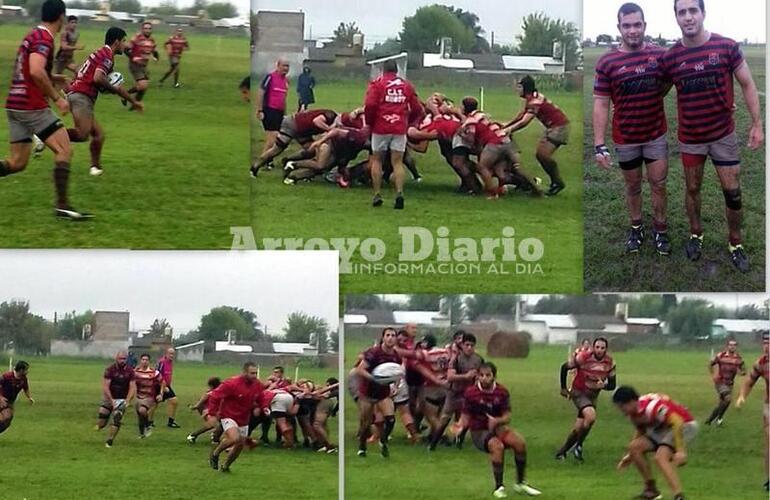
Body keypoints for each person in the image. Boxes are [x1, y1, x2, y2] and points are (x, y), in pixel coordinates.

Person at [661, 0, 763, 272]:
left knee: (733, 194)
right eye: (681, 12)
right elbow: (658, 91)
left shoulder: (726, 47)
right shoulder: (671, 57)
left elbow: (747, 84)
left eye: (693, 10)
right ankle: (696, 234)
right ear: (676, 18)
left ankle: (735, 242)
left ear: (703, 13)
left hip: (723, 136)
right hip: (691, 138)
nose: (688, 17)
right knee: (692, 189)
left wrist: (757, 124)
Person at [1, 0, 91, 220]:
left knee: (17, 163)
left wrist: (54, 77)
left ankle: (62, 206)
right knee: (64, 149)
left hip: (15, 104)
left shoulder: (32, 35)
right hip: (31, 105)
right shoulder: (44, 38)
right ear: (61, 17)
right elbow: (35, 71)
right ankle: (62, 206)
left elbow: (31, 69)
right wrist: (57, 98)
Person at [593, 2, 671, 255]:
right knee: (633, 186)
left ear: (644, 26)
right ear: (619, 28)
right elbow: (601, 103)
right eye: (627, 26)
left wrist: (727, 102)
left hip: (655, 134)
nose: (633, 30)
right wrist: (599, 144)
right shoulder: (608, 62)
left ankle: (660, 229)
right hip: (625, 138)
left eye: (637, 24)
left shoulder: (660, 56)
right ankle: (636, 227)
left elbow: (675, 79)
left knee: (658, 184)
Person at [66, 26, 143, 177]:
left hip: (78, 94)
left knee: (99, 135)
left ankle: (95, 167)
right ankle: (46, 134)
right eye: (123, 41)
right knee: (82, 134)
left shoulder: (99, 52)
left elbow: (83, 72)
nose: (125, 45)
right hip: (82, 96)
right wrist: (113, 88)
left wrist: (127, 98)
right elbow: (98, 78)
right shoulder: (107, 55)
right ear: (116, 41)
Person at [462, 362, 541, 498]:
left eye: (488, 375)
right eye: (481, 375)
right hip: (479, 430)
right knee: (497, 446)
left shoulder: (502, 392)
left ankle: (520, 483)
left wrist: (497, 421)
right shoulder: (470, 393)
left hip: (499, 427)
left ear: (494, 376)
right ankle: (499, 487)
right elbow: (465, 415)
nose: (484, 378)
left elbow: (507, 416)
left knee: (520, 443)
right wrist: (459, 426)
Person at [613, 386, 698, 500]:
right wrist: (630, 455)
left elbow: (677, 421)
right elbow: (641, 430)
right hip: (663, 427)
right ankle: (651, 489)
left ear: (632, 401)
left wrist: (680, 450)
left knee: (661, 457)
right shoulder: (633, 414)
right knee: (634, 447)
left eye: (622, 406)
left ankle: (679, 495)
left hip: (684, 425)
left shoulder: (652, 407)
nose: (621, 410)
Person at [364, 60, 424, 209]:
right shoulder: (406, 85)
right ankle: (399, 193)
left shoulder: (377, 84)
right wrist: (407, 120)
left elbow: (370, 105)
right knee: (397, 162)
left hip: (380, 127)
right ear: (397, 70)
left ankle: (377, 193)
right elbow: (417, 107)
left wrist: (370, 122)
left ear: (383, 70)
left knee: (377, 160)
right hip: (399, 128)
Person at [502, 75, 570, 196]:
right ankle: (556, 182)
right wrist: (506, 125)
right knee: (541, 155)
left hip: (559, 127)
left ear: (525, 88)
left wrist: (509, 130)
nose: (517, 90)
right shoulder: (532, 98)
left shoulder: (534, 102)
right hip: (552, 127)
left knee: (543, 155)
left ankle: (557, 182)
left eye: (519, 87)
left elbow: (525, 121)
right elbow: (521, 115)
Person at [556, 337, 616, 461]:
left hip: (593, 396)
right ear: (593, 347)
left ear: (606, 349)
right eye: (597, 347)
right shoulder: (583, 357)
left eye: (602, 348)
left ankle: (561, 452)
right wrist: (563, 388)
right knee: (591, 416)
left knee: (580, 427)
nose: (599, 350)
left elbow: (612, 385)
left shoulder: (609, 362)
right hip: (579, 392)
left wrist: (604, 386)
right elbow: (564, 367)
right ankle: (578, 446)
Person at [430, 332, 484, 450]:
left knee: (465, 419)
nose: (469, 348)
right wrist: (466, 376)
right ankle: (433, 443)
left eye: (472, 345)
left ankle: (459, 441)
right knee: (445, 418)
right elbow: (450, 377)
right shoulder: (456, 360)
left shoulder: (478, 360)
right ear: (462, 345)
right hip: (454, 393)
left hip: (468, 394)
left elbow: (483, 375)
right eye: (467, 345)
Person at [206, 362, 264, 472]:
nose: (254, 376)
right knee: (234, 438)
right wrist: (212, 413)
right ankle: (215, 453)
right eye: (252, 373)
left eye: (256, 373)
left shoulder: (257, 385)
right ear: (244, 372)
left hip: (244, 418)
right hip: (229, 415)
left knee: (240, 445)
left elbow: (261, 397)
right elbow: (214, 396)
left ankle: (226, 466)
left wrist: (259, 407)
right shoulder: (231, 383)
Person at [736, 330, 769, 491]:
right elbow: (748, 382)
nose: (767, 347)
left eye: (769, 343)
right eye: (765, 343)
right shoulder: (762, 363)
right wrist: (742, 396)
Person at [255, 58, 290, 169]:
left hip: (279, 113)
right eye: (284, 65)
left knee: (275, 139)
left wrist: (284, 114)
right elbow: (261, 92)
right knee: (273, 138)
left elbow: (283, 98)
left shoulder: (286, 81)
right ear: (278, 65)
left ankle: (268, 160)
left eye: (287, 66)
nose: (286, 68)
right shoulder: (270, 77)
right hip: (269, 110)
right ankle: (260, 163)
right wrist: (260, 110)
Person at [97, 351, 136, 448]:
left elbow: (132, 387)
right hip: (109, 397)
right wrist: (111, 400)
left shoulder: (130, 371)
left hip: (122, 399)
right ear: (116, 358)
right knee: (102, 419)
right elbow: (106, 386)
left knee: (117, 418)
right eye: (120, 359)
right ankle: (100, 425)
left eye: (124, 359)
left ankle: (110, 440)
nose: (122, 361)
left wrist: (127, 400)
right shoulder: (110, 369)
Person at [705, 338, 745, 426]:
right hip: (720, 382)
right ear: (727, 346)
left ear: (736, 347)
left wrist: (741, 372)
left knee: (722, 403)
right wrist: (713, 375)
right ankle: (719, 419)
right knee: (728, 399)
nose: (732, 347)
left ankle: (709, 421)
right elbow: (710, 364)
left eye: (734, 345)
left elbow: (744, 370)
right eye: (730, 345)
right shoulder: (721, 355)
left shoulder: (738, 358)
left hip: (730, 383)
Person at [125, 22, 158, 105]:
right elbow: (126, 49)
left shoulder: (152, 40)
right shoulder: (136, 38)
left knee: (143, 88)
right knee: (143, 85)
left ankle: (135, 105)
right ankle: (125, 94)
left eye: (149, 28)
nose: (147, 30)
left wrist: (156, 57)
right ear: (142, 29)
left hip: (144, 65)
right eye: (145, 28)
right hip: (135, 65)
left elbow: (154, 51)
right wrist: (133, 57)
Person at [133, 353, 163, 438]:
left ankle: (148, 425)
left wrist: (161, 393)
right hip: (138, 396)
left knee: (142, 410)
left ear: (149, 361)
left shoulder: (154, 372)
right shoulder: (135, 371)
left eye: (146, 360)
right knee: (140, 415)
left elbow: (162, 382)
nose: (144, 361)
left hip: (149, 397)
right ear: (140, 360)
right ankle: (142, 434)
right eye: (143, 359)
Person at [0, 361, 34, 435]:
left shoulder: (24, 379)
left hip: (10, 402)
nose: (27, 371)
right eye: (26, 369)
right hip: (2, 399)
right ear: (21, 370)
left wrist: (29, 397)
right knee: (6, 417)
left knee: (7, 419)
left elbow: (26, 388)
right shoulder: (7, 376)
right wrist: (1, 397)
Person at [150, 347, 180, 428]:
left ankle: (171, 422)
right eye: (170, 353)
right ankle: (149, 422)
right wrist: (162, 387)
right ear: (166, 354)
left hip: (166, 386)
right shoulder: (162, 362)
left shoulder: (171, 363)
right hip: (158, 385)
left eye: (173, 354)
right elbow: (157, 374)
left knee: (174, 401)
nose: (172, 355)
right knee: (154, 404)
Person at [187, 376, 222, 444]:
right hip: (208, 411)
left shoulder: (218, 392)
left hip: (215, 411)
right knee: (213, 425)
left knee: (221, 425)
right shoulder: (209, 394)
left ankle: (215, 437)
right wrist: (196, 407)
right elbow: (199, 404)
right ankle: (193, 435)